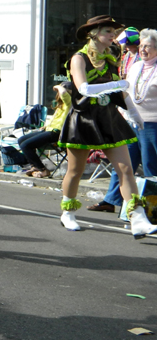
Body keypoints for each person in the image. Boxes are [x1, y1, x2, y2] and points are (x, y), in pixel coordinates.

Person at [57, 15, 157, 238]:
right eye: (108, 31)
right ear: (93, 34)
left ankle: (137, 217)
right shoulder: (79, 58)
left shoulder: (112, 56)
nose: (113, 35)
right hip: (84, 117)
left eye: (113, 31)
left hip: (108, 117)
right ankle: (67, 213)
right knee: (75, 171)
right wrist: (115, 84)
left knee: (126, 169)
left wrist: (133, 112)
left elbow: (120, 92)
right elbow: (83, 88)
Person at [89, 29, 157, 213]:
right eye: (141, 46)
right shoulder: (136, 66)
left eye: (147, 47)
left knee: (151, 165)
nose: (142, 50)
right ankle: (111, 200)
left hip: (152, 124)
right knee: (123, 164)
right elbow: (126, 89)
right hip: (130, 120)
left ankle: (152, 207)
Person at [17, 83, 72, 178]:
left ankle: (43, 169)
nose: (59, 93)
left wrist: (59, 87)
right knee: (21, 139)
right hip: (49, 130)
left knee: (25, 145)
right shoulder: (61, 105)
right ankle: (34, 166)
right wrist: (45, 126)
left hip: (57, 133)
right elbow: (55, 119)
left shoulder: (69, 103)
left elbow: (63, 93)